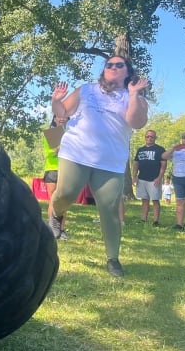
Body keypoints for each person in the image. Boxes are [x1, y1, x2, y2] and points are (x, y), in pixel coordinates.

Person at [49, 55, 148, 277]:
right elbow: (61, 114)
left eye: (118, 65)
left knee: (109, 210)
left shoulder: (135, 98)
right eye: (109, 65)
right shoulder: (86, 90)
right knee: (66, 192)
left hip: (110, 162)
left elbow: (136, 122)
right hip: (76, 152)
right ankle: (56, 214)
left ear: (127, 71)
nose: (112, 67)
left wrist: (133, 94)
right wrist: (56, 101)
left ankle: (113, 259)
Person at [132, 129, 166, 226]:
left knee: (155, 200)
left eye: (152, 137)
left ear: (155, 138)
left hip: (154, 180)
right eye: (147, 136)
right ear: (145, 137)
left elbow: (163, 165)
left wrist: (159, 177)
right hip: (142, 179)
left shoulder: (160, 149)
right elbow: (136, 164)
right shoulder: (140, 150)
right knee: (144, 200)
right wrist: (134, 177)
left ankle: (156, 221)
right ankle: (143, 219)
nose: (149, 138)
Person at [43, 115, 69, 239]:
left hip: (66, 170)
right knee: (53, 200)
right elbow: (51, 152)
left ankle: (62, 230)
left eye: (65, 117)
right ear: (54, 119)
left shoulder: (70, 133)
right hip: (52, 170)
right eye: (59, 117)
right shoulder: (52, 132)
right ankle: (51, 230)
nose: (62, 119)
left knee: (63, 201)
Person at [162, 132, 185, 231]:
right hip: (178, 178)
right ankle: (179, 224)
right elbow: (164, 156)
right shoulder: (176, 151)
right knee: (180, 202)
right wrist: (173, 148)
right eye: (184, 138)